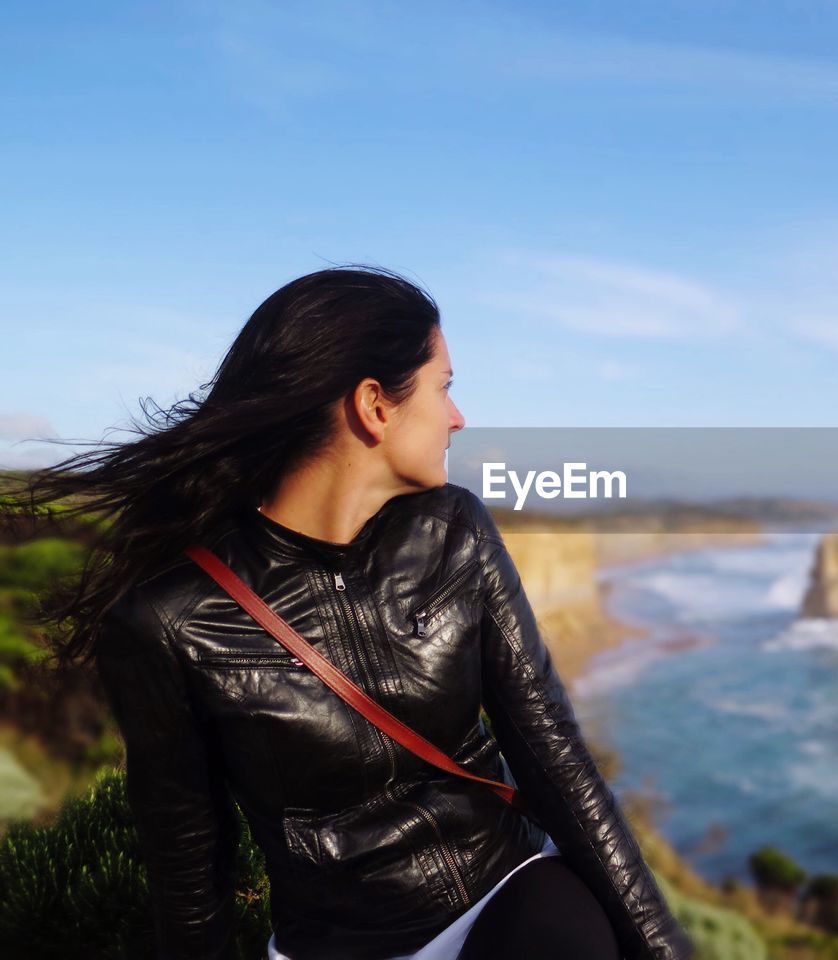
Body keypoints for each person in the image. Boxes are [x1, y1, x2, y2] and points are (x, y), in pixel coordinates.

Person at [11, 266, 695, 960]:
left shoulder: (453, 530)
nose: (459, 417)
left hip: (509, 889)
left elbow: (555, 759)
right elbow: (190, 865)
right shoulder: (168, 620)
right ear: (374, 405)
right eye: (444, 387)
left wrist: (662, 949)